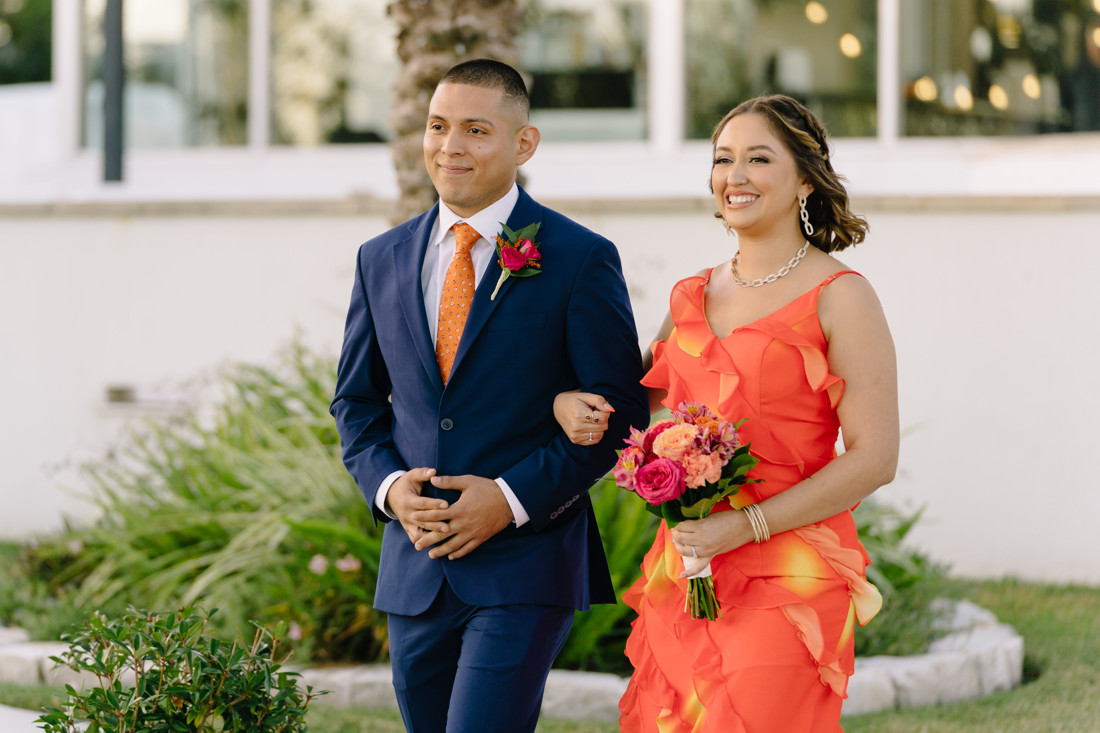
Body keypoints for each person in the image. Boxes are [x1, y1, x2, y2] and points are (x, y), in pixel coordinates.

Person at [555, 94, 899, 731]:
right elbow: (631, 412)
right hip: (686, 566)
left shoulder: (842, 298)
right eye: (722, 159)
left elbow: (876, 458)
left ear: (804, 177)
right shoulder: (691, 295)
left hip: (788, 571)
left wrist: (746, 527)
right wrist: (562, 400)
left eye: (758, 159)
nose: (734, 176)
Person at [329, 59, 650, 733]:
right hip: (415, 568)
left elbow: (623, 414)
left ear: (522, 143)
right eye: (439, 126)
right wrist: (389, 488)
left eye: (476, 130)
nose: (451, 146)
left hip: (526, 565)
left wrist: (506, 501)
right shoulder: (380, 257)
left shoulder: (579, 256)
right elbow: (356, 403)